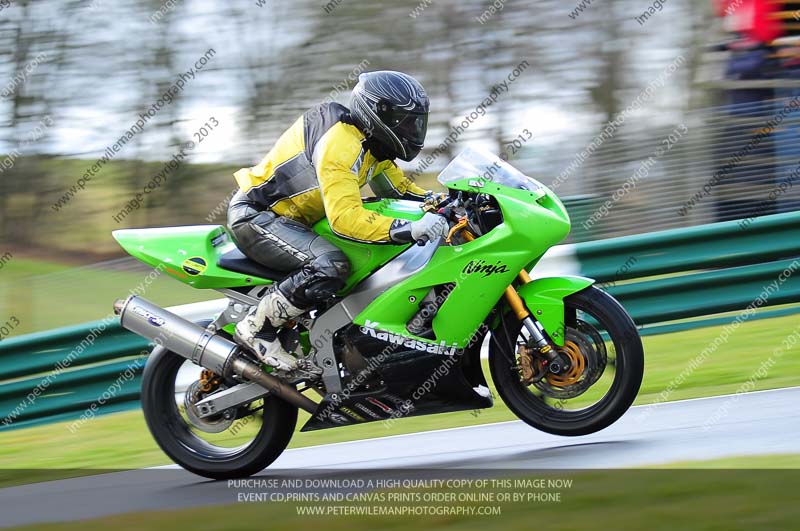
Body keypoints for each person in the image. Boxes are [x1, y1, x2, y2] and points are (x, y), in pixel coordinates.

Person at [227, 70, 448, 371]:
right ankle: (257, 329)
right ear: (377, 113)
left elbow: (401, 190)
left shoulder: (372, 145)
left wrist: (447, 202)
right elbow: (345, 218)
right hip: (258, 216)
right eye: (406, 122)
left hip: (295, 221)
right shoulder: (340, 145)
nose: (413, 130)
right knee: (331, 264)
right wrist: (407, 229)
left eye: (417, 122)